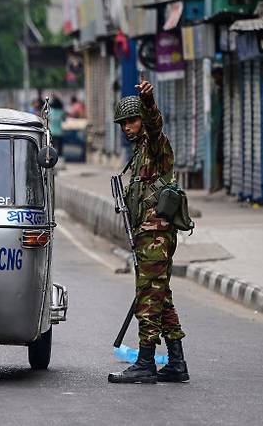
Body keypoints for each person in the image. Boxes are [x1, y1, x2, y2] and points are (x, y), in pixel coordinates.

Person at [107, 78, 189, 384]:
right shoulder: (139, 154)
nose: (127, 127)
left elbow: (155, 126)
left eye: (132, 120)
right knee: (160, 297)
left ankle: (144, 362)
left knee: (146, 298)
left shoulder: (155, 145)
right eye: (123, 123)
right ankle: (177, 362)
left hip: (156, 234)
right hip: (147, 233)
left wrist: (150, 103)